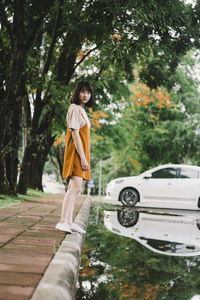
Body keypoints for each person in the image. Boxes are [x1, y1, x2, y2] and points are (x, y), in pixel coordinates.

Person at [55, 81, 94, 233]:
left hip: (82, 153)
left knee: (74, 187)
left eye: (88, 92)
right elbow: (75, 134)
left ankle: (69, 222)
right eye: (82, 91)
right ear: (77, 92)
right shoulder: (74, 109)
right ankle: (62, 221)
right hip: (77, 153)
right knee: (75, 187)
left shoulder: (81, 110)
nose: (85, 95)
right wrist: (83, 158)